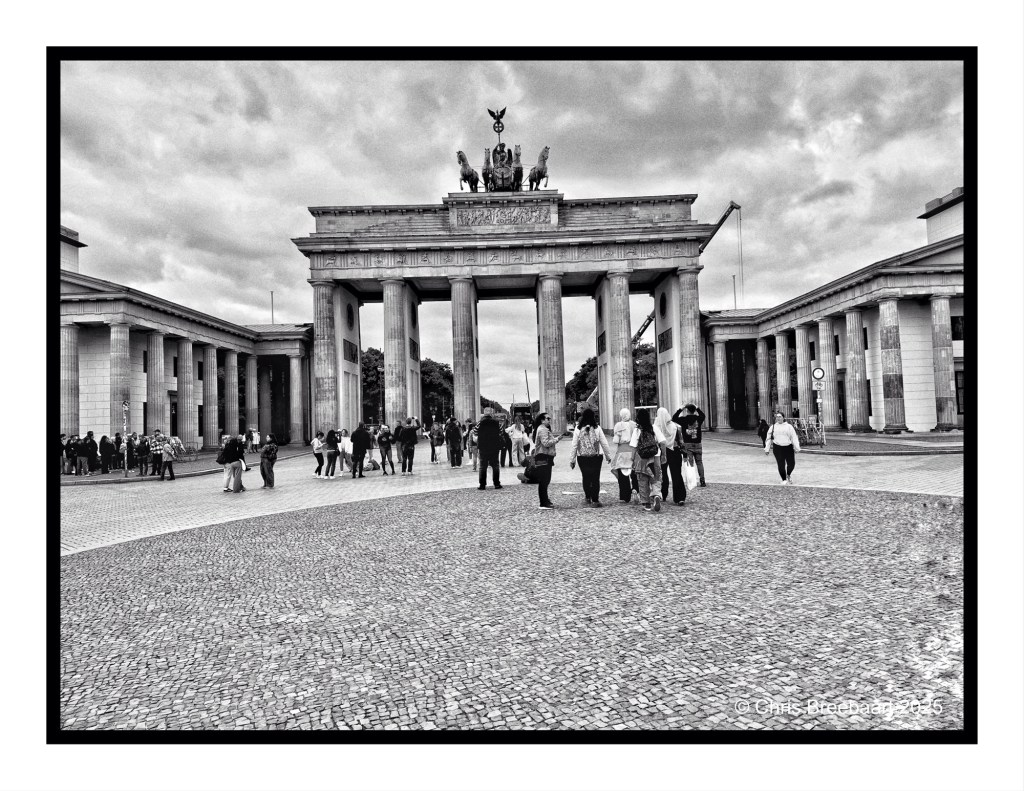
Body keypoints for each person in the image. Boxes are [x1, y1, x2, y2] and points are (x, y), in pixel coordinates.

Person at [568, 407, 612, 507]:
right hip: (596, 456)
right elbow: (604, 443)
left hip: (582, 457)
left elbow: (574, 445)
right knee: (596, 477)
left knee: (586, 477)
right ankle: (595, 500)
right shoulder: (597, 428)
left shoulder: (578, 429)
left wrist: (572, 460)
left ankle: (588, 497)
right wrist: (608, 456)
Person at [631, 409, 666, 512]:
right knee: (656, 478)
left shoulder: (637, 430)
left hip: (641, 458)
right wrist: (663, 455)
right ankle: (656, 495)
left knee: (642, 480)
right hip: (655, 456)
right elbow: (663, 442)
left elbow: (633, 447)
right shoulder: (654, 428)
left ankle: (646, 504)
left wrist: (632, 459)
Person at [655, 407, 686, 506]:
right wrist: (685, 453)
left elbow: (655, 441)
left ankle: (663, 494)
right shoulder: (676, 426)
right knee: (676, 474)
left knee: (662, 473)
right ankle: (680, 497)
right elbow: (681, 441)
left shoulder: (657, 427)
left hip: (661, 451)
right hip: (675, 451)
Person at [673, 404, 707, 487]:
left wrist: (681, 408)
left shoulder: (683, 419)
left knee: (690, 463)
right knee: (699, 462)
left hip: (687, 444)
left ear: (687, 411)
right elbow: (703, 415)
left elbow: (674, 418)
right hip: (698, 443)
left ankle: (691, 481)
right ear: (694, 411)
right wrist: (697, 407)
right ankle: (702, 480)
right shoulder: (699, 419)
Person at [532, 412, 560, 509]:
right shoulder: (542, 430)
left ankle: (545, 500)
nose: (549, 420)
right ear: (542, 420)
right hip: (543, 456)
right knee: (544, 480)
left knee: (545, 480)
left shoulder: (543, 429)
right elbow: (545, 443)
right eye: (548, 418)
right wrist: (557, 439)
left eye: (549, 418)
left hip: (545, 456)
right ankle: (543, 502)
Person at [609, 408, 639, 504]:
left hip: (622, 451)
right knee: (634, 473)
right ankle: (636, 490)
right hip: (633, 450)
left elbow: (615, 440)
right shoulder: (634, 425)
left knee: (622, 475)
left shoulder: (618, 425)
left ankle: (625, 496)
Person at [765, 411, 802, 484]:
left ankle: (788, 474)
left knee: (791, 464)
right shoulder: (773, 427)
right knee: (781, 464)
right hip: (777, 447)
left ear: (783, 417)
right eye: (777, 417)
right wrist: (767, 449)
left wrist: (797, 447)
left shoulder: (789, 426)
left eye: (780, 416)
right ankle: (784, 479)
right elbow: (768, 438)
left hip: (788, 447)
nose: (778, 418)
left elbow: (794, 437)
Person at [475, 408, 504, 490]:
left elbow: (475, 432)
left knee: (482, 466)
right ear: (492, 414)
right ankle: (496, 484)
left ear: (484, 414)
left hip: (483, 447)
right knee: (495, 465)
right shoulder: (497, 423)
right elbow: (501, 432)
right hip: (494, 446)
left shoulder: (480, 423)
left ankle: (482, 485)